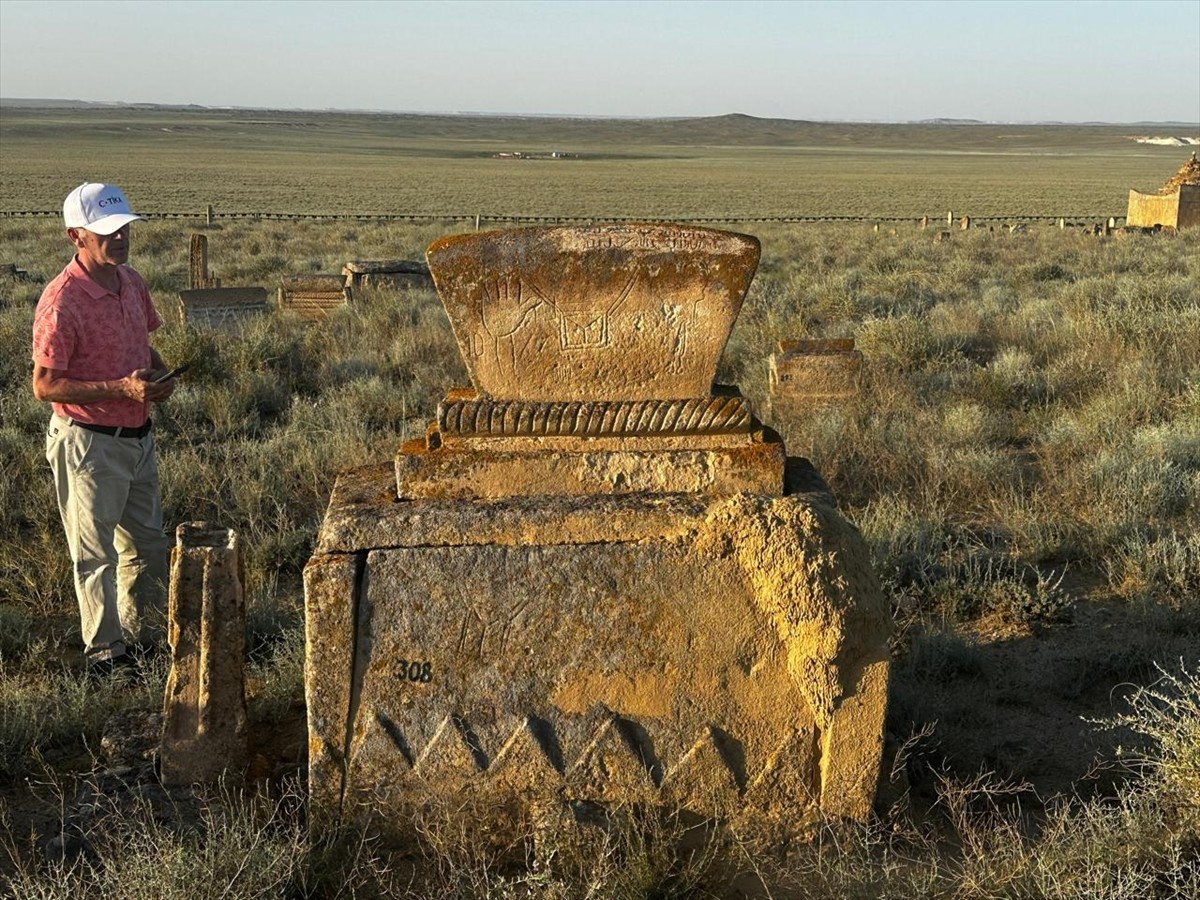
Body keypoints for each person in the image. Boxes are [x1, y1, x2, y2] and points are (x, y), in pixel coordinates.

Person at [31, 182, 178, 681]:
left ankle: (145, 640)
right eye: (107, 231)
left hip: (138, 438)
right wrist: (121, 387)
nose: (120, 238)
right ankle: (107, 658)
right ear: (77, 235)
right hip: (88, 442)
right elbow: (45, 384)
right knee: (95, 557)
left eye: (124, 229)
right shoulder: (61, 301)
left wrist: (158, 375)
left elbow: (144, 344)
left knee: (147, 547)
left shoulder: (132, 282)